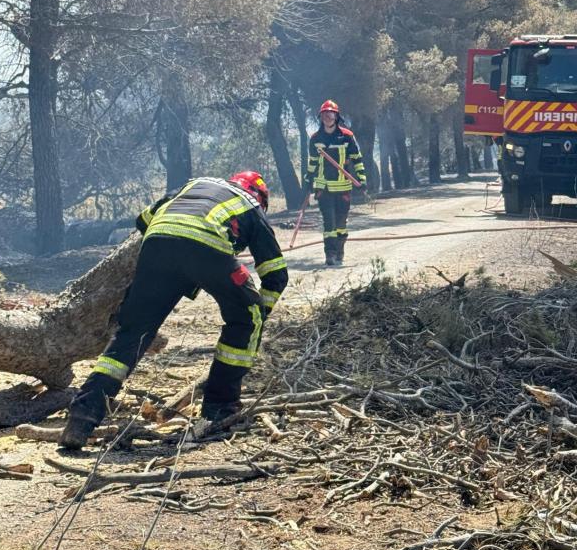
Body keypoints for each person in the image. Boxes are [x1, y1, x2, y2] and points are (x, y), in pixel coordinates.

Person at [59, 171, 288, 450]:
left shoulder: (194, 184)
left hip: (158, 243)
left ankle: (82, 417)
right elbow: (276, 274)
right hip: (206, 245)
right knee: (246, 318)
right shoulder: (251, 205)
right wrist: (258, 316)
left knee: (133, 334)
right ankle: (220, 408)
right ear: (260, 197)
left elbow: (143, 219)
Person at [304, 99, 366, 266]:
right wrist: (308, 179)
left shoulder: (347, 136)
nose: (328, 116)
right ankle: (330, 254)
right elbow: (313, 162)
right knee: (329, 223)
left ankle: (340, 251)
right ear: (320, 117)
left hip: (344, 188)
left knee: (341, 224)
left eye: (331, 113)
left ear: (337, 116)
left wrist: (362, 178)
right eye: (324, 114)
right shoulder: (315, 138)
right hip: (323, 188)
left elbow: (357, 159)